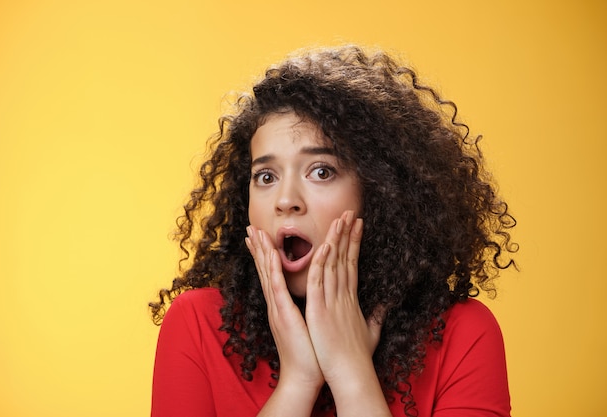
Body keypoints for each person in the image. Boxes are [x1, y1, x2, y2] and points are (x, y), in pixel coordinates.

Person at [149, 45, 517, 417]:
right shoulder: (197, 323)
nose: (285, 200)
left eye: (321, 171)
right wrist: (298, 381)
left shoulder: (464, 333)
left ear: (380, 191)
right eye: (265, 176)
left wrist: (350, 371)